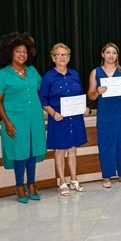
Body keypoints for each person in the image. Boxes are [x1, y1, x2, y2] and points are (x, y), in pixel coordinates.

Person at [0, 32, 46, 203]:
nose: (22, 54)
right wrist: (6, 122)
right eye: (18, 51)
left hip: (34, 118)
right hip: (15, 119)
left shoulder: (32, 71)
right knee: (19, 153)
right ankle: (19, 186)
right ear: (10, 53)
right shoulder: (2, 75)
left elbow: (42, 90)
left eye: (25, 51)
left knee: (32, 152)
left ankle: (32, 184)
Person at [40, 43, 88, 196]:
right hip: (58, 119)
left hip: (75, 118)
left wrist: (84, 108)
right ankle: (62, 182)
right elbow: (43, 100)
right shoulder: (48, 77)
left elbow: (80, 94)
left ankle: (74, 180)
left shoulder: (74, 74)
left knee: (73, 149)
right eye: (58, 55)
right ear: (53, 58)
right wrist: (53, 113)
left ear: (69, 57)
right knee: (60, 151)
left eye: (64, 55)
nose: (62, 57)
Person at [87, 43, 121, 188]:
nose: (111, 55)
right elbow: (91, 96)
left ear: (117, 55)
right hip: (105, 112)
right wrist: (97, 92)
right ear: (103, 54)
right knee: (105, 144)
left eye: (114, 52)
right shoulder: (96, 72)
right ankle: (106, 176)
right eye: (108, 52)